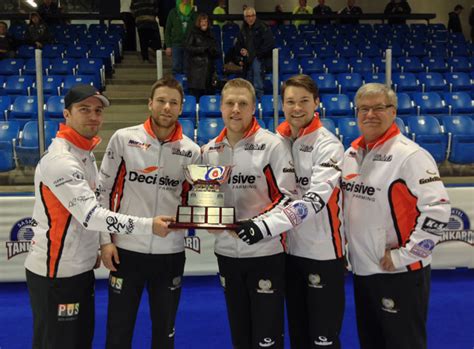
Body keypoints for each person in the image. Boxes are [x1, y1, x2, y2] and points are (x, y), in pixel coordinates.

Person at [24, 84, 175, 349]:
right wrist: (147, 225)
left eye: (97, 110)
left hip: (80, 269)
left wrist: (96, 247)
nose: (93, 116)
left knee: (80, 341)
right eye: (84, 110)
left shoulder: (85, 155)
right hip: (55, 273)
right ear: (66, 114)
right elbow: (92, 215)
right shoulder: (61, 160)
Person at [236, 74, 346, 348]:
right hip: (287, 253)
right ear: (282, 104)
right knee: (297, 333)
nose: (297, 108)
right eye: (291, 102)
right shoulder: (277, 140)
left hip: (323, 253)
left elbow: (314, 199)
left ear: (316, 103)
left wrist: (264, 226)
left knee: (323, 337)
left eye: (304, 101)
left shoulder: (328, 144)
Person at [342, 83, 451, 349]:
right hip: (363, 270)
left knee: (404, 343)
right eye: (364, 109)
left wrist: (405, 255)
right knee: (372, 341)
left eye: (379, 108)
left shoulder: (410, 155)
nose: (370, 114)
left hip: (399, 272)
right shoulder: (350, 154)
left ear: (393, 112)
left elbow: (438, 210)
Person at [99, 76, 201, 349]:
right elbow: (103, 192)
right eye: (161, 101)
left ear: (181, 108)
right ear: (150, 104)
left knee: (165, 331)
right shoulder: (123, 139)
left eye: (173, 102)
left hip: (170, 254)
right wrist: (106, 241)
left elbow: (197, 199)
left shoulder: (192, 151)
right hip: (126, 250)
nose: (166, 107)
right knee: (118, 330)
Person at [201, 78, 297, 349]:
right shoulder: (209, 151)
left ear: (253, 107)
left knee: (267, 334)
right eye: (230, 103)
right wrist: (205, 215)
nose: (235, 109)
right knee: (240, 331)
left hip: (265, 253)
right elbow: (203, 195)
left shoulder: (272, 145)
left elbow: (288, 197)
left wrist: (255, 226)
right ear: (220, 107)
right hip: (227, 254)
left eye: (242, 103)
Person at [234, 7, 275, 101]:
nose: (250, 18)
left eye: (252, 16)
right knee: (248, 83)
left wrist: (257, 54)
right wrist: (241, 50)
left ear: (255, 16)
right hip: (247, 59)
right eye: (248, 16)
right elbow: (238, 44)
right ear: (244, 17)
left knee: (258, 83)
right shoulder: (243, 29)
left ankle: (260, 103)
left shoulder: (263, 27)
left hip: (259, 58)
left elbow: (269, 44)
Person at [185, 13, 220, 100]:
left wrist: (213, 51)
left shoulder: (211, 35)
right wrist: (202, 49)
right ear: (199, 22)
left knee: (208, 97)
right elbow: (188, 48)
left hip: (209, 71)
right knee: (197, 97)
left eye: (206, 21)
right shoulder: (193, 33)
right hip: (196, 72)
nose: (204, 23)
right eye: (202, 21)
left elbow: (216, 52)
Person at [165, 0, 197, 75]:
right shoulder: (173, 12)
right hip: (176, 44)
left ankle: (185, 86)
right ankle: (176, 85)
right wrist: (168, 46)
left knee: (188, 68)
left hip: (189, 45)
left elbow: (197, 31)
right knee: (176, 67)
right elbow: (167, 30)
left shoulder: (194, 14)